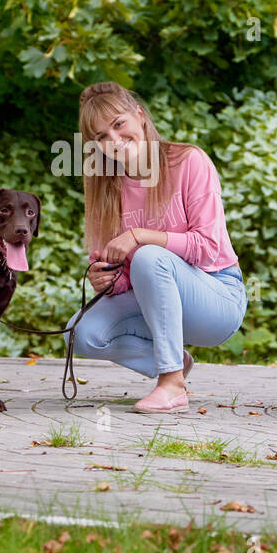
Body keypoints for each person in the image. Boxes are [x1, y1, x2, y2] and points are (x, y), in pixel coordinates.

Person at [64, 81, 247, 414]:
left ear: (139, 116)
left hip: (217, 297)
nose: (115, 141)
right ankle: (174, 358)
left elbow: (208, 248)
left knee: (149, 257)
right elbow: (126, 278)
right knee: (81, 331)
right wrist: (104, 277)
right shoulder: (106, 189)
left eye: (119, 125)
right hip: (155, 303)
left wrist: (139, 236)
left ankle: (171, 384)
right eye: (102, 137)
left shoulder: (189, 161)